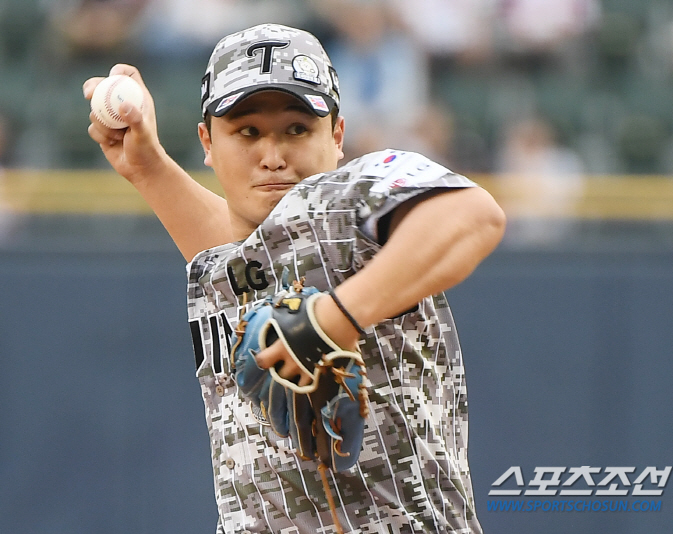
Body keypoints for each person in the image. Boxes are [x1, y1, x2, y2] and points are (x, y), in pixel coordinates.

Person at [83, 23, 505, 534]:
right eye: (248, 132)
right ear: (206, 142)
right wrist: (148, 167)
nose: (274, 155)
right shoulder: (241, 259)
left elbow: (473, 215)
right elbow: (249, 260)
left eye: (297, 129)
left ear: (338, 135)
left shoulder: (347, 201)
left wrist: (335, 318)